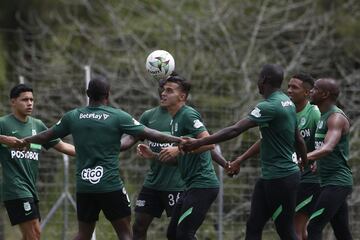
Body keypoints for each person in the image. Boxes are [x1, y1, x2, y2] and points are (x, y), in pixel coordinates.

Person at [19, 77, 182, 240]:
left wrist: (25, 141)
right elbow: (149, 133)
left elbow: (48, 135)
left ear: (87, 94)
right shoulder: (118, 116)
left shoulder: (73, 116)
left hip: (84, 187)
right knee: (125, 234)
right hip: (110, 185)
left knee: (83, 235)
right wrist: (178, 140)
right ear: (108, 95)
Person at [181, 64, 308, 239]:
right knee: (253, 225)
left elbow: (235, 130)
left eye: (259, 78)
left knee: (285, 230)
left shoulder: (268, 106)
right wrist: (305, 162)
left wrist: (198, 142)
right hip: (269, 177)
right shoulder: (287, 103)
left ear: (263, 80)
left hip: (281, 179)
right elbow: (295, 139)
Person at [137, 75, 220, 240]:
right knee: (173, 234)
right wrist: (154, 155)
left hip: (203, 185)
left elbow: (210, 143)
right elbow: (180, 158)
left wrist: (179, 149)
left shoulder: (188, 115)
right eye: (163, 90)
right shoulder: (174, 119)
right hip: (191, 186)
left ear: (182, 97)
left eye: (169, 91)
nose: (163, 94)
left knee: (183, 234)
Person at [0, 84, 75, 240]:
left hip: (31, 188)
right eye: (25, 100)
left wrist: (92, 153)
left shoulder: (38, 125)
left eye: (32, 100)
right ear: (13, 102)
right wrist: (3, 139)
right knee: (33, 234)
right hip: (16, 188)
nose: (30, 103)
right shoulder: (3, 124)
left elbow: (62, 146)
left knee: (34, 235)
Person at [306, 78, 353, 240]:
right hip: (327, 181)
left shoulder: (336, 118)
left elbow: (328, 147)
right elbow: (323, 146)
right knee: (342, 232)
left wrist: (304, 157)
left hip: (337, 182)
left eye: (314, 89)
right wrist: (317, 162)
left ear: (324, 94)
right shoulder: (323, 115)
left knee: (313, 227)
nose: (310, 91)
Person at [287, 73, 321, 240]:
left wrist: (318, 161)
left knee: (296, 229)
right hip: (293, 177)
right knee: (303, 230)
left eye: (294, 87)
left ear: (307, 93)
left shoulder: (314, 113)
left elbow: (328, 141)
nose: (289, 90)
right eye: (288, 86)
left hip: (311, 179)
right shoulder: (288, 112)